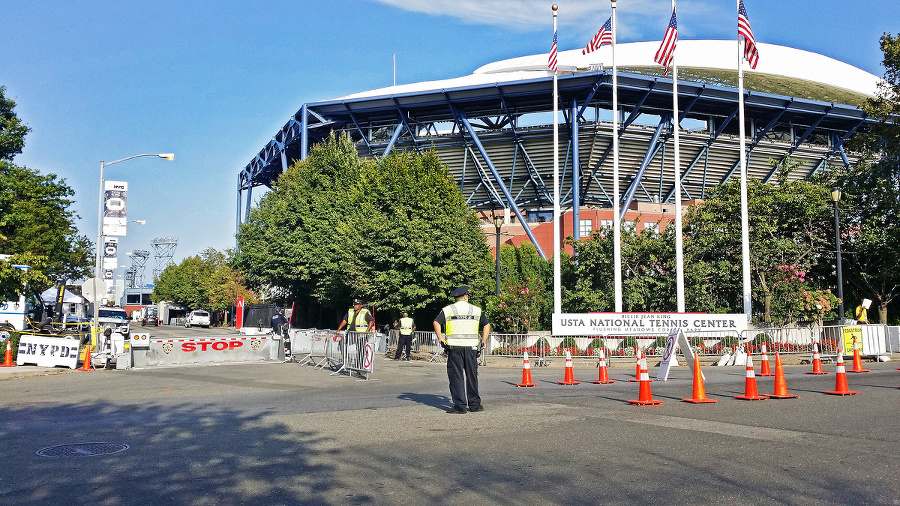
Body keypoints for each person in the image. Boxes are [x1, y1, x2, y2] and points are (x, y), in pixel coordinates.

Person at [433, 285, 490, 414]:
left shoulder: (448, 310)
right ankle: (475, 405)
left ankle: (460, 406)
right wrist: (484, 341)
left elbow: (436, 322)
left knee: (456, 377)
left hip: (455, 348)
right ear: (465, 296)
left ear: (456, 298)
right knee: (472, 376)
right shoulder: (476, 310)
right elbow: (486, 325)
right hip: (471, 348)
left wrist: (441, 338)